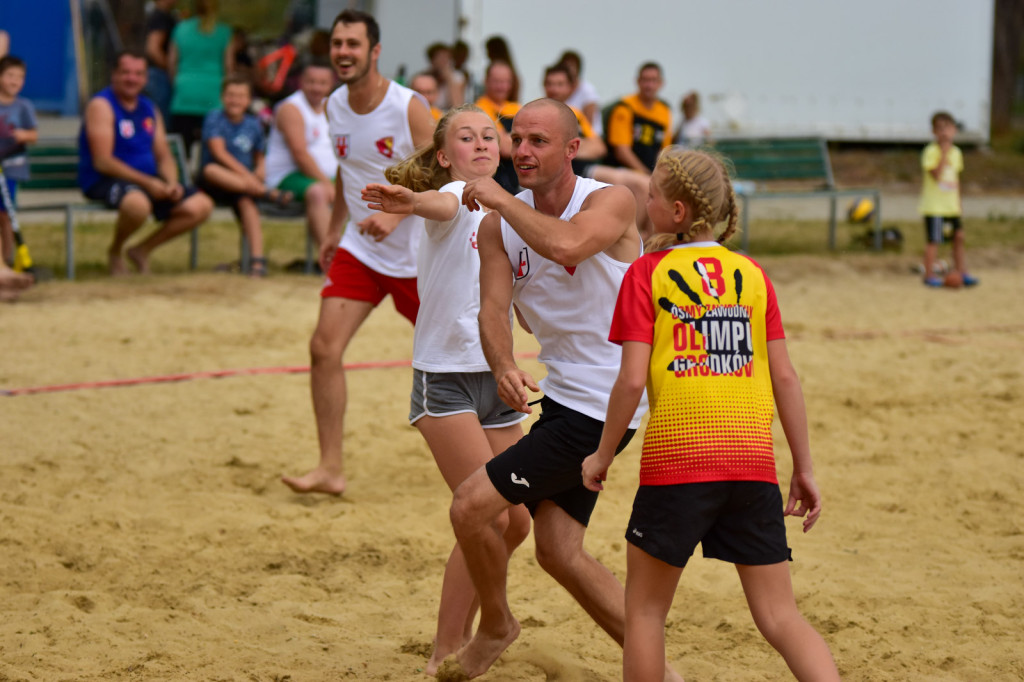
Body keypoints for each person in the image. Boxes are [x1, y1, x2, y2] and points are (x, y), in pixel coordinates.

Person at [581, 147, 841, 682]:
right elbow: (785, 378)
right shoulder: (750, 273)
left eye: (650, 193)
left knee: (646, 613)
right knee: (779, 616)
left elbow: (631, 379)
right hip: (752, 466)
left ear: (676, 213)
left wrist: (602, 454)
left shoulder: (646, 274)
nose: (642, 198)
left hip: (679, 465)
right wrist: (805, 468)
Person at [444, 99, 681, 681]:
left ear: (572, 149)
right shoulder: (499, 225)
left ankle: (496, 625)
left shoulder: (609, 200)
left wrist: (497, 197)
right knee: (558, 550)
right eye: (516, 139)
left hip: (605, 401)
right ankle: (661, 673)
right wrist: (502, 363)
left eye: (538, 142)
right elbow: (493, 311)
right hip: (564, 399)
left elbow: (569, 246)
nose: (521, 151)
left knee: (471, 507)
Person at [360, 104, 531, 676]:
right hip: (446, 380)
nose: (481, 144)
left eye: (489, 136)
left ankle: (470, 630)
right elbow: (441, 202)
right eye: (466, 137)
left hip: (498, 375)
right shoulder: (455, 196)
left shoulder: (512, 208)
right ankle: (446, 647)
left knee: (518, 521)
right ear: (444, 155)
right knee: (485, 515)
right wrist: (409, 202)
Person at [280, 9, 435, 495]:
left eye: (353, 44)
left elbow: (440, 175)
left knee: (470, 356)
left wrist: (397, 213)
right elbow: (348, 171)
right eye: (337, 43)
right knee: (323, 347)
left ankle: (513, 458)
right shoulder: (333, 105)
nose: (343, 52)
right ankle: (330, 468)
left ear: (375, 51)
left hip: (419, 257)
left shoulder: (408, 105)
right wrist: (333, 229)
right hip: (362, 251)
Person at [78, 50, 213, 275]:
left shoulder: (149, 107)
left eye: (138, 74)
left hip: (147, 181)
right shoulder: (101, 105)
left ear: (146, 78)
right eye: (126, 73)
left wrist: (171, 182)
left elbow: (163, 154)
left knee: (201, 206)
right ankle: (115, 251)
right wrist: (148, 183)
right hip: (106, 180)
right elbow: (102, 161)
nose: (132, 79)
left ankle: (141, 250)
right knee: (137, 205)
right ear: (114, 75)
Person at [542, 63, 653, 238]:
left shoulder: (575, 114)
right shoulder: (538, 113)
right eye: (550, 83)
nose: (554, 89)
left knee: (646, 184)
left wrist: (566, 148)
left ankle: (637, 242)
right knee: (639, 185)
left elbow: (599, 147)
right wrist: (576, 146)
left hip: (582, 168)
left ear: (570, 88)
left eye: (560, 84)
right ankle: (630, 241)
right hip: (564, 172)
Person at [198, 74, 282, 277]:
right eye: (230, 95)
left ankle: (256, 262)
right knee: (211, 170)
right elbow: (218, 153)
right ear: (222, 97)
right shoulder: (214, 118)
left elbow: (259, 155)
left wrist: (260, 170)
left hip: (244, 185)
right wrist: (250, 178)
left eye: (240, 96)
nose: (235, 100)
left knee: (247, 204)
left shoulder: (253, 124)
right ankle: (267, 193)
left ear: (248, 100)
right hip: (215, 181)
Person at [263, 61, 338, 252]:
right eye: (311, 82)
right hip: (287, 176)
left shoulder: (331, 106)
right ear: (301, 82)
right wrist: (327, 183)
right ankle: (331, 261)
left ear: (331, 84)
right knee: (319, 192)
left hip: (321, 176)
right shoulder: (291, 108)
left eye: (322, 83)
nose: (316, 87)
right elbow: (300, 154)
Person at [919, 111, 977, 287]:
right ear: (934, 132)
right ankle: (928, 275)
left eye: (948, 128)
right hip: (935, 206)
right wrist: (943, 154)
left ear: (954, 130)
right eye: (940, 129)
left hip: (951, 206)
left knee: (959, 237)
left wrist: (959, 204)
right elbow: (936, 174)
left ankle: (962, 271)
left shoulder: (957, 153)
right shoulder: (931, 151)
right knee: (934, 240)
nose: (944, 133)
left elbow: (956, 180)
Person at [168, 0, 234, 151]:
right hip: (214, 92)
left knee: (183, 146)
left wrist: (177, 83)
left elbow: (172, 63)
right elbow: (229, 66)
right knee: (212, 147)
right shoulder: (224, 31)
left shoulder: (180, 28)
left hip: (185, 93)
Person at [0, 55, 38, 271]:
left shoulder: (23, 106)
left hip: (12, 170)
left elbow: (34, 135)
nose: (14, 81)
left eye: (20, 77)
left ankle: (6, 259)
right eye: (9, 76)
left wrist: (23, 135)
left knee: (6, 215)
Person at [605, 62, 672, 173]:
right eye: (645, 80)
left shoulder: (665, 111)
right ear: (638, 81)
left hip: (651, 174)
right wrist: (645, 174)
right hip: (623, 171)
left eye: (653, 80)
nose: (649, 86)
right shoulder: (625, 107)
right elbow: (621, 151)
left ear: (661, 83)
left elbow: (664, 151)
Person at [475, 61, 520, 194]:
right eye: (497, 81)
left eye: (506, 82)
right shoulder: (480, 109)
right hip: (497, 181)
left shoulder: (515, 107)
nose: (502, 87)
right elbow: (505, 147)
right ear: (486, 81)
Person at [142, 0, 178, 121]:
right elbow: (153, 49)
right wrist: (170, 68)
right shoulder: (161, 16)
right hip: (159, 75)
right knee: (160, 119)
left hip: (157, 74)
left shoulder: (163, 15)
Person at [558, 50, 602, 136]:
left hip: (588, 135)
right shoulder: (559, 89)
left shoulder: (587, 90)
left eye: (572, 66)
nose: (569, 70)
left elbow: (588, 124)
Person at [425, 42, 465, 111]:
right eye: (440, 57)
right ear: (432, 60)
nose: (444, 61)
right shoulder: (425, 78)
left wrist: (449, 79)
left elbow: (458, 104)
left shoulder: (458, 77)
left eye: (447, 57)